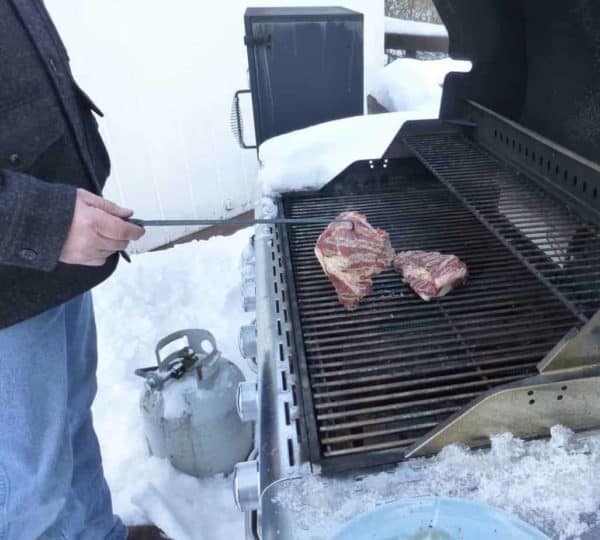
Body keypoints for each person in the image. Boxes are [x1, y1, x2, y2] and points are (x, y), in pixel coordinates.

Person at [0, 1, 167, 538]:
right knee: (31, 485)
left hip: (53, 244)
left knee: (70, 418)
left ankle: (98, 532)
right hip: (13, 269)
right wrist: (38, 221)